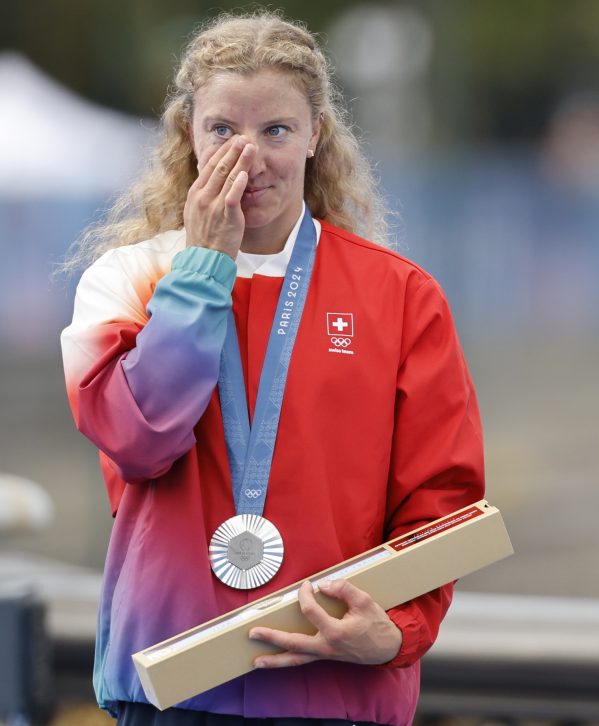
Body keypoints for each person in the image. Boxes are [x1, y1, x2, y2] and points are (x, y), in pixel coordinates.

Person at [60, 11, 484, 726]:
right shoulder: (126, 280)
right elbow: (139, 439)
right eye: (223, 129)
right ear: (188, 134)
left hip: (337, 691)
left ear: (316, 135)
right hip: (176, 686)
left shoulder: (400, 295)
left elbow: (441, 497)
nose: (248, 157)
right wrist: (200, 271)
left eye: (276, 131)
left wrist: (401, 627)